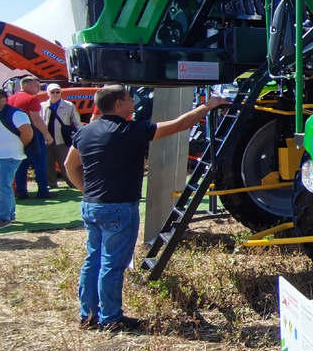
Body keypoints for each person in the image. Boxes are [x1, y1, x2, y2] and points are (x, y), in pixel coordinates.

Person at [66, 84, 226, 331]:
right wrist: (208, 105)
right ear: (119, 103)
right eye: (130, 97)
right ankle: (110, 318)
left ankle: (87, 314)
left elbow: (69, 165)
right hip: (119, 207)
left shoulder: (85, 132)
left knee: (93, 260)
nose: (134, 102)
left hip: (91, 206)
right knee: (112, 265)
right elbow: (180, 125)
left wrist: (86, 191)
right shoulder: (130, 130)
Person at [0, 88, 33, 229]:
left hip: (8, 156)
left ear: (3, 100)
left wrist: (18, 147)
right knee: (1, 186)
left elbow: (28, 133)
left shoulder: (16, 114)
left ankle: (3, 218)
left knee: (1, 187)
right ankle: (9, 215)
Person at [7, 76, 53, 199]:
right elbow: (36, 119)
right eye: (36, 85)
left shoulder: (9, 99)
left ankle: (21, 192)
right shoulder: (31, 99)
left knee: (21, 164)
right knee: (40, 163)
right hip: (33, 134)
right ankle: (43, 191)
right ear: (26, 86)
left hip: (15, 134)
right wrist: (47, 134)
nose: (39, 88)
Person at [40, 84, 82, 189]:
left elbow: (77, 122)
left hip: (62, 139)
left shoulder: (69, 105)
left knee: (65, 162)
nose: (55, 94)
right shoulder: (42, 106)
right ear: (48, 93)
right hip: (47, 138)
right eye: (52, 92)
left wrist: (81, 134)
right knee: (48, 163)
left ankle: (72, 182)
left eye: (57, 92)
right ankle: (51, 183)